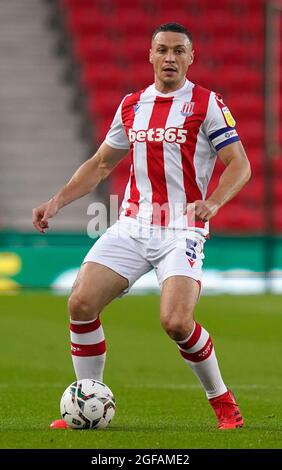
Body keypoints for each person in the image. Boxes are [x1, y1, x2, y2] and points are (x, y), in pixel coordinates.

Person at [32, 23, 251, 430]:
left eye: (178, 51)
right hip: (133, 224)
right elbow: (101, 164)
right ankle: (87, 400)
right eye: (163, 50)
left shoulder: (206, 104)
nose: (170, 58)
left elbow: (240, 163)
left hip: (182, 228)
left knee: (176, 322)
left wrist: (215, 201)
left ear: (191, 57)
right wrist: (57, 201)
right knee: (80, 304)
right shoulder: (131, 105)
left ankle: (223, 403)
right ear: (150, 55)